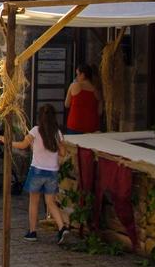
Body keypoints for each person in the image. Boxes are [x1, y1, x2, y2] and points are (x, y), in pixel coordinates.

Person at [12, 104, 70, 244]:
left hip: (37, 170)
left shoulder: (35, 131)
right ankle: (62, 228)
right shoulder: (57, 133)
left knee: (34, 202)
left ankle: (32, 232)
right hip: (52, 172)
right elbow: (63, 153)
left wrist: (8, 142)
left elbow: (22, 145)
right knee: (50, 202)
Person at [65, 64, 102, 134]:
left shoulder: (74, 85)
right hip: (92, 126)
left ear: (83, 75)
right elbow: (99, 112)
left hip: (75, 125)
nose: (76, 77)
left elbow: (67, 104)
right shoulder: (97, 90)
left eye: (77, 74)